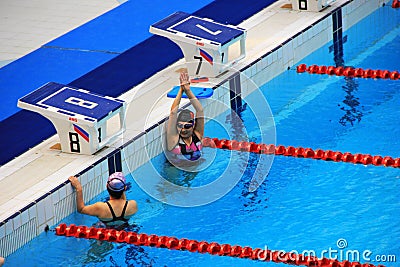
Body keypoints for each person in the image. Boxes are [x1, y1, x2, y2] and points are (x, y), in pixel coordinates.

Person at [69, 172, 138, 227]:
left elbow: (81, 209)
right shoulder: (132, 205)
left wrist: (79, 188)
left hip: (105, 232)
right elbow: (123, 200)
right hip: (124, 230)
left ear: (106, 186)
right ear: (125, 189)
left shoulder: (101, 207)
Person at [166, 71, 205, 162]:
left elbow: (200, 110)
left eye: (187, 126)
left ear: (193, 125)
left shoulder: (198, 135)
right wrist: (181, 90)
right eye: (180, 126)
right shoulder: (174, 140)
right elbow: (173, 113)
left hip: (196, 169)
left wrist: (188, 90)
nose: (183, 129)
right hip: (177, 171)